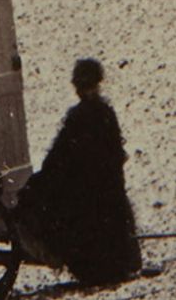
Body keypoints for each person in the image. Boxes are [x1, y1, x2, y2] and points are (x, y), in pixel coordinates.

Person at [14, 57, 142, 286]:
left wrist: (43, 177)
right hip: (106, 186)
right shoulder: (105, 113)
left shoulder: (79, 116)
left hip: (82, 188)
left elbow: (60, 155)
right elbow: (115, 152)